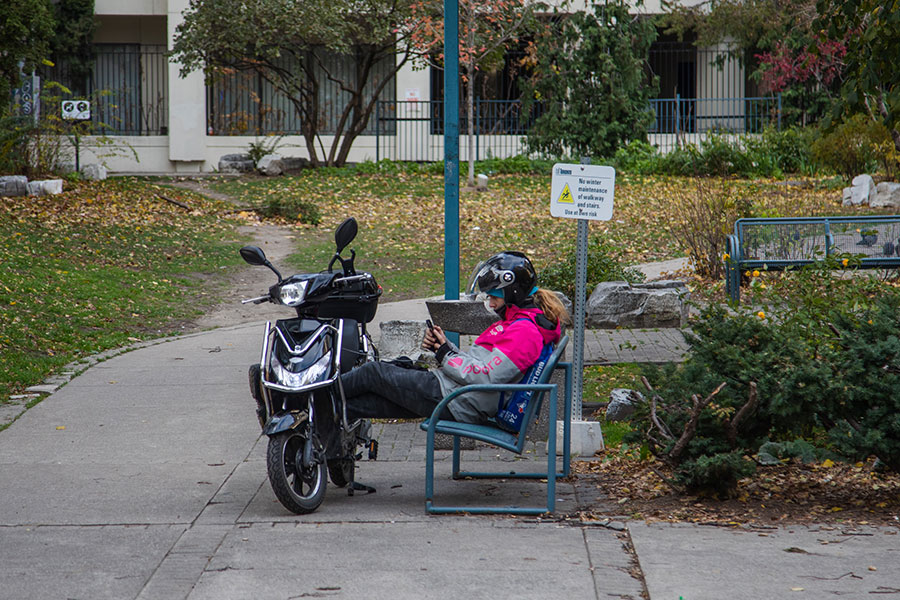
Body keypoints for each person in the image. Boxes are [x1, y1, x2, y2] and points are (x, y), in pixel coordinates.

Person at [340, 251, 569, 424]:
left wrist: (445, 355)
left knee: (373, 373)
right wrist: (445, 347)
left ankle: (309, 394)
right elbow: (482, 367)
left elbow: (487, 379)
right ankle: (322, 449)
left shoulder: (525, 333)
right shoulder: (518, 322)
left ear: (513, 292)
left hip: (461, 399)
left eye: (494, 297)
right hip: (460, 393)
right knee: (356, 405)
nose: (490, 303)